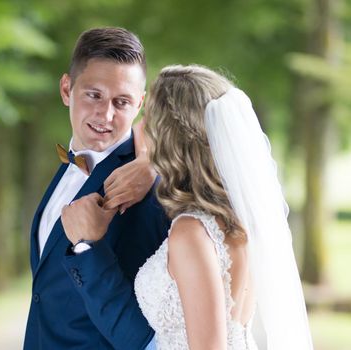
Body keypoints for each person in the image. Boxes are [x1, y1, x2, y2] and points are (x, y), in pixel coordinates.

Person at [70, 64, 313, 349]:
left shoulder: (192, 233)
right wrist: (146, 162)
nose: (139, 126)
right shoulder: (237, 220)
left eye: (148, 118)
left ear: (169, 137)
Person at [23, 27, 170, 349]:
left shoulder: (148, 190)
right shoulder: (69, 165)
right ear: (66, 89)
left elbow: (143, 329)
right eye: (94, 95)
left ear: (140, 104)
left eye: (122, 101)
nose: (106, 114)